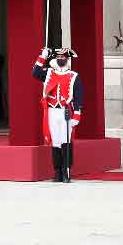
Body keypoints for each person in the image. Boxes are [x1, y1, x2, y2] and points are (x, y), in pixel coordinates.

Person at [31, 47, 83, 183]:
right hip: (52, 111)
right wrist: (43, 56)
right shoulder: (49, 73)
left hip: (66, 112)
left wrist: (77, 115)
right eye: (58, 57)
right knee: (55, 142)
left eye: (63, 57)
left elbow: (78, 97)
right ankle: (57, 171)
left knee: (66, 141)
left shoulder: (74, 76)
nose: (60, 59)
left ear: (67, 59)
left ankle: (67, 171)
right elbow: (35, 73)